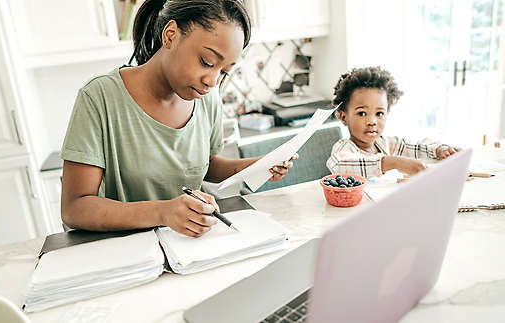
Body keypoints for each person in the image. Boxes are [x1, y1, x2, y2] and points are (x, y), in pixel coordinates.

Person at [60, 0, 297, 238]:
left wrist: (258, 165)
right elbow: (75, 208)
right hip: (131, 250)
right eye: (207, 62)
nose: (212, 81)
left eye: (224, 71)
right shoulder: (99, 97)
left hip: (191, 245)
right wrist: (163, 212)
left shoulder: (207, 97)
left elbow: (205, 165)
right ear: (171, 35)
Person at [326, 66, 461, 179]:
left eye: (379, 114)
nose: (372, 121)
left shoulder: (384, 143)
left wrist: (439, 150)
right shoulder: (343, 148)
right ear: (344, 117)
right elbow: (339, 165)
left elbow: (415, 147)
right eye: (362, 113)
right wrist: (395, 162)